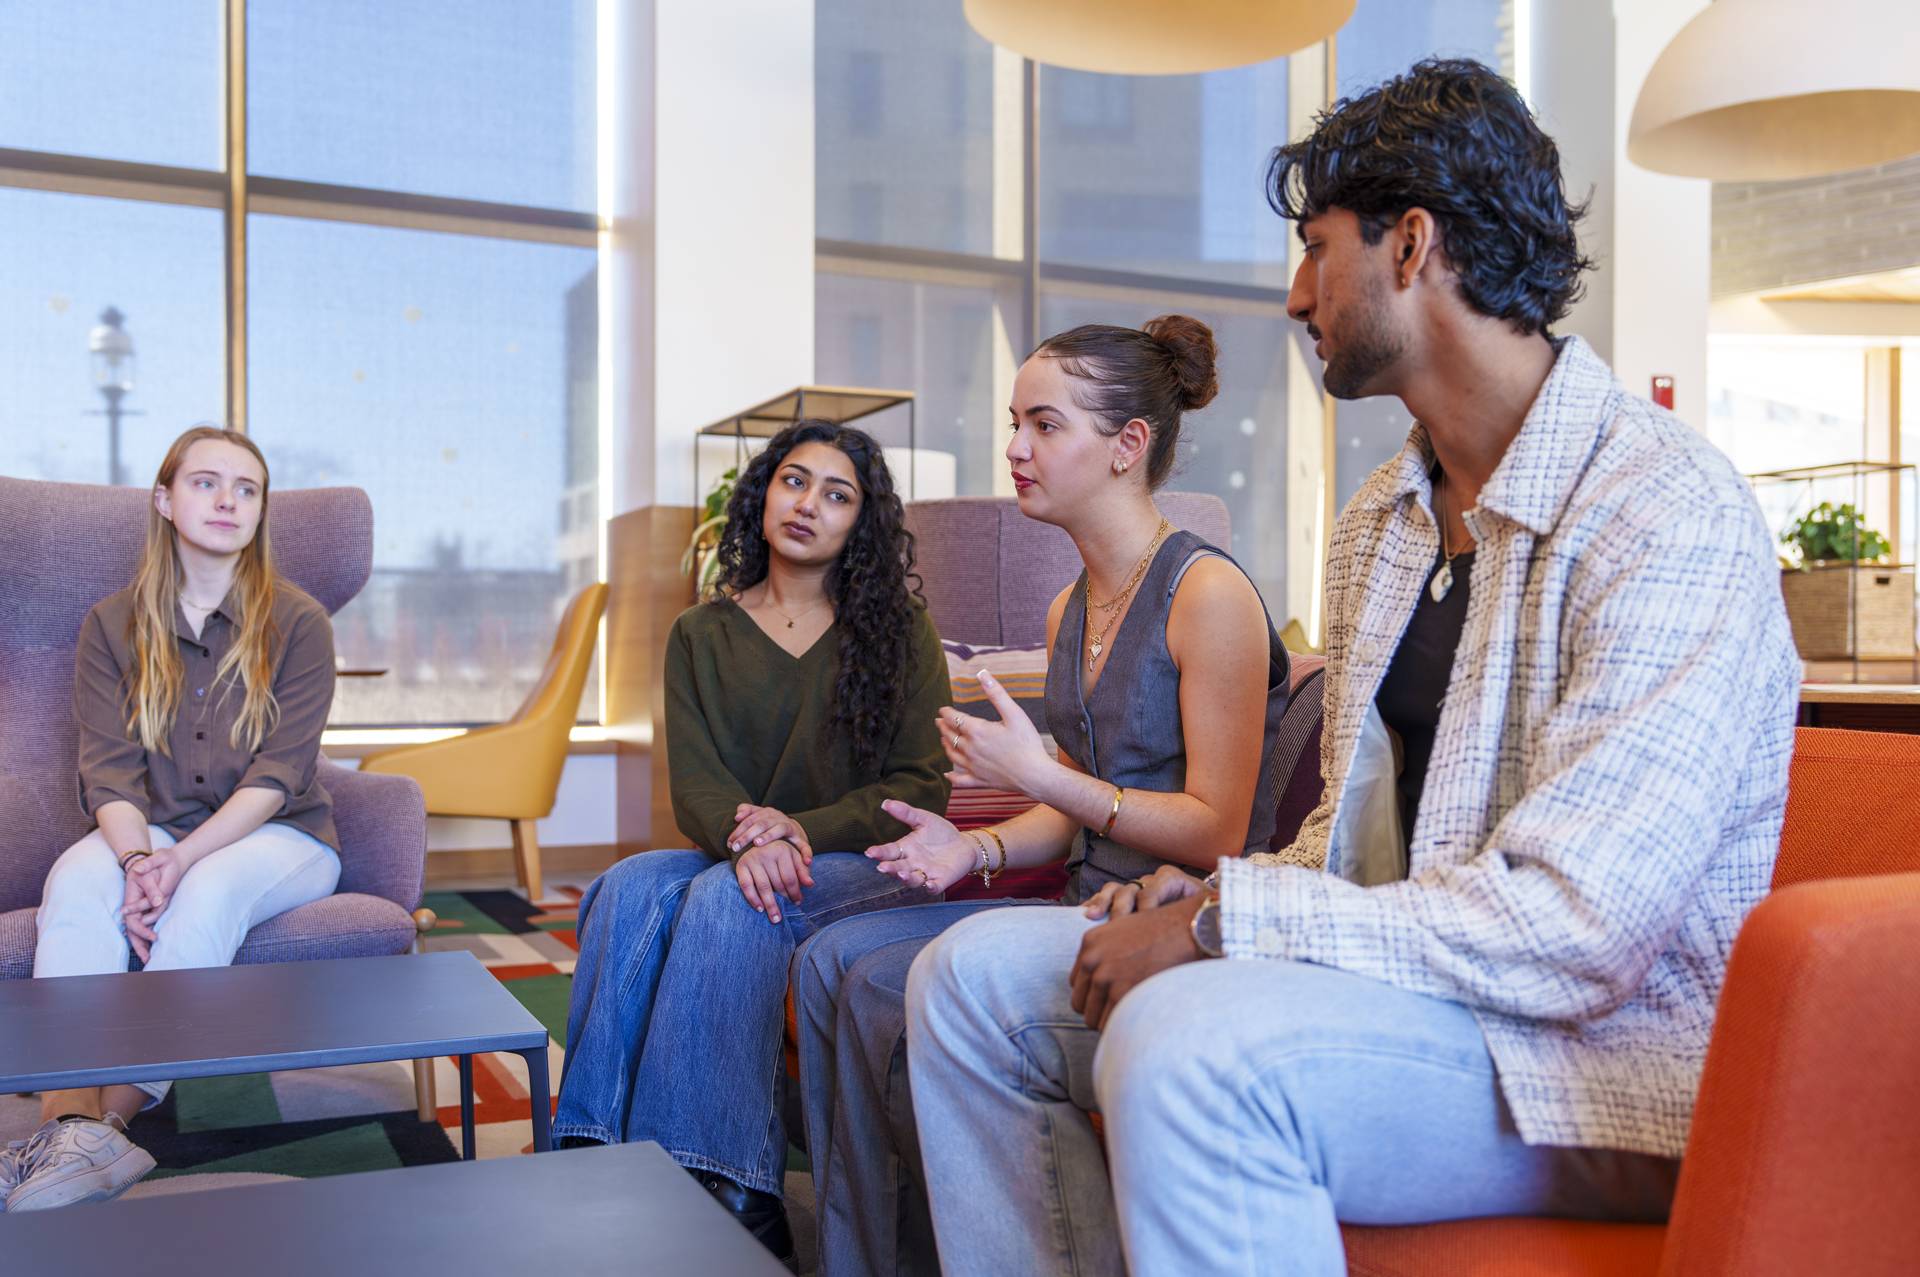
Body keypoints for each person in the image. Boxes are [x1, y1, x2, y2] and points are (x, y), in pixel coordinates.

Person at [903, 58, 1799, 1277]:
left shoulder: (1664, 509)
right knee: (968, 983)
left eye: (1317, 246)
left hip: (1598, 1059)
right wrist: (1207, 898)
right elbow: (1354, 846)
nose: (1292, 293)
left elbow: (1580, 930)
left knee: (1189, 1049)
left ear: (1412, 245)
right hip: (1419, 992)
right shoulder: (1387, 512)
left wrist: (1231, 919)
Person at [793, 315, 1292, 1276]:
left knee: (872, 981)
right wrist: (973, 848)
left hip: (1168, 916)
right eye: (1014, 422)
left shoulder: (1207, 595)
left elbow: (1214, 830)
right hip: (1076, 896)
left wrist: (1040, 775)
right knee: (827, 961)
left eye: (1045, 425)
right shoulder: (1070, 606)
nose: (1015, 449)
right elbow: (1068, 805)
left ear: (1127, 446)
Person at [553, 421, 949, 1269]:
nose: (809, 504)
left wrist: (799, 830)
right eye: (794, 481)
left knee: (731, 898)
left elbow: (917, 788)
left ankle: (725, 1185)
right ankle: (588, 1149)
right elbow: (694, 781)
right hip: (746, 848)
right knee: (626, 885)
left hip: (867, 863)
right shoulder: (701, 632)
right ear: (763, 494)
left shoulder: (900, 633)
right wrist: (749, 835)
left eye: (837, 494)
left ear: (861, 524)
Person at [2, 426, 343, 1213]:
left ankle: (102, 1128)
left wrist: (177, 863)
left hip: (278, 833)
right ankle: (68, 1123)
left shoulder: (300, 623)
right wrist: (131, 863)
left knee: (207, 892)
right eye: (205, 482)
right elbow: (107, 770)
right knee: (76, 881)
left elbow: (279, 775)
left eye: (246, 488)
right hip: (145, 832)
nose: (227, 499)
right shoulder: (111, 623)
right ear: (164, 499)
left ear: (260, 512)